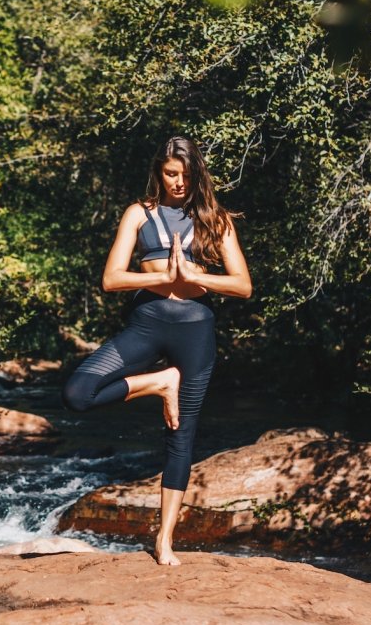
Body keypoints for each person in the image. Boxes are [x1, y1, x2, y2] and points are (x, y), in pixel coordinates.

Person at [61, 136, 251, 566]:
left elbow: (242, 285)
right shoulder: (138, 214)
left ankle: (164, 541)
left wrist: (197, 277)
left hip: (195, 330)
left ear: (196, 174)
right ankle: (159, 381)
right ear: (158, 172)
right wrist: (161, 279)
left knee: (180, 437)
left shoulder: (215, 220)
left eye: (185, 175)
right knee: (76, 394)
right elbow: (111, 278)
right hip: (146, 324)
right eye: (170, 174)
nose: (178, 182)